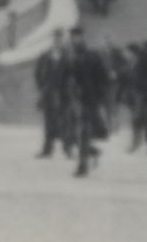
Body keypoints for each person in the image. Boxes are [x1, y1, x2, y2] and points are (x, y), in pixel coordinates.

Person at [65, 26, 111, 178]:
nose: (74, 40)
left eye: (77, 37)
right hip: (72, 100)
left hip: (88, 100)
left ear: (82, 38)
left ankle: (82, 166)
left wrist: (98, 97)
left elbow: (103, 78)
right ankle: (94, 152)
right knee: (72, 134)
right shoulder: (69, 56)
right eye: (73, 37)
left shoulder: (91, 56)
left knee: (84, 132)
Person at [34, 29, 71, 158]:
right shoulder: (44, 56)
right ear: (52, 41)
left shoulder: (68, 56)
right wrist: (42, 88)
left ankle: (67, 149)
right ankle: (47, 149)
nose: (57, 42)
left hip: (63, 94)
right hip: (48, 93)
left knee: (65, 121)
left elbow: (72, 74)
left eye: (59, 39)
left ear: (63, 41)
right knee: (48, 121)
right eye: (55, 39)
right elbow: (38, 74)